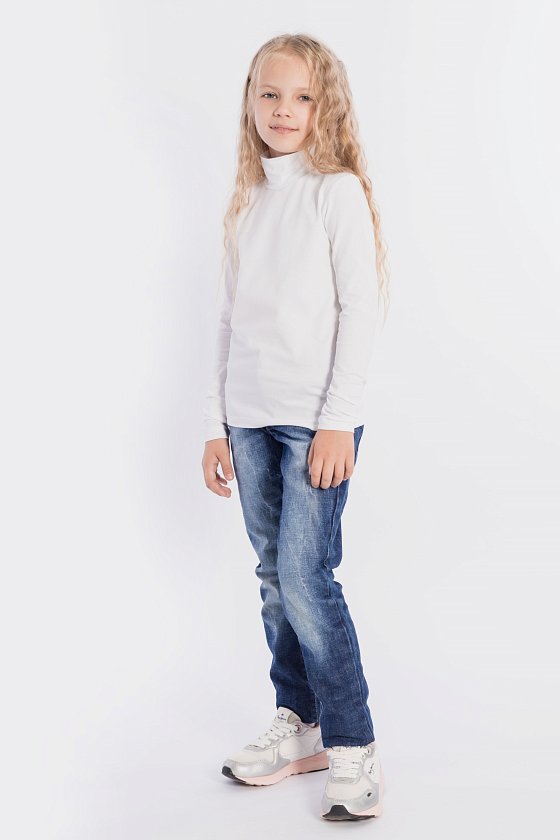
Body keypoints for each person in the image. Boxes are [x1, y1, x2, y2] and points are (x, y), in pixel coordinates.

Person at [201, 33, 390, 821]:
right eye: (271, 95)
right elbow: (228, 317)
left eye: (303, 97)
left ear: (325, 107)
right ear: (251, 102)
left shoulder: (333, 192)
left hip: (314, 425)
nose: (284, 110)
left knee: (310, 581)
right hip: (248, 420)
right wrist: (215, 423)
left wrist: (338, 422)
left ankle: (353, 746)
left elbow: (360, 309)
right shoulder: (249, 200)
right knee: (275, 579)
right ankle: (300, 720)